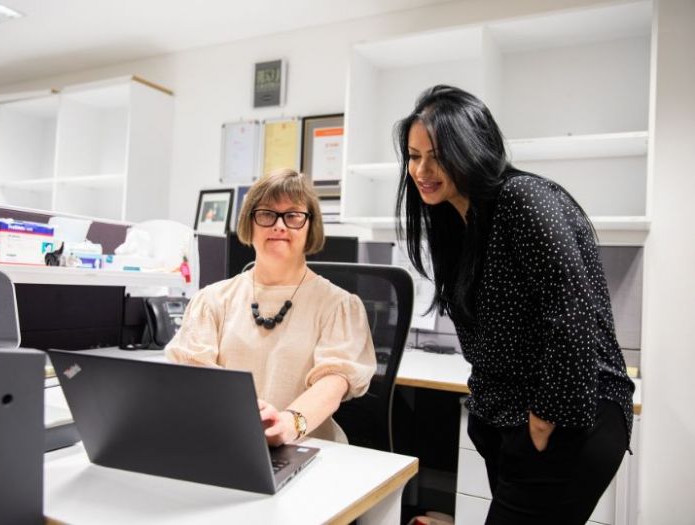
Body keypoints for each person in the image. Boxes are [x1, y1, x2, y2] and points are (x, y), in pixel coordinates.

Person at [394, 85, 635, 525]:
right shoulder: (460, 221)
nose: (422, 170)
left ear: (471, 148)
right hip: (512, 420)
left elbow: (572, 315)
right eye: (413, 156)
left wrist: (543, 421)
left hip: (568, 417)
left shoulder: (522, 198)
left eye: (437, 155)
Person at [166, 168, 376, 446]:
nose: (279, 225)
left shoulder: (338, 305)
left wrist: (289, 424)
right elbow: (193, 376)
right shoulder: (212, 300)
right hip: (230, 442)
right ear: (249, 224)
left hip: (309, 447)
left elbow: (333, 383)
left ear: (310, 227)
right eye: (266, 214)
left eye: (293, 216)